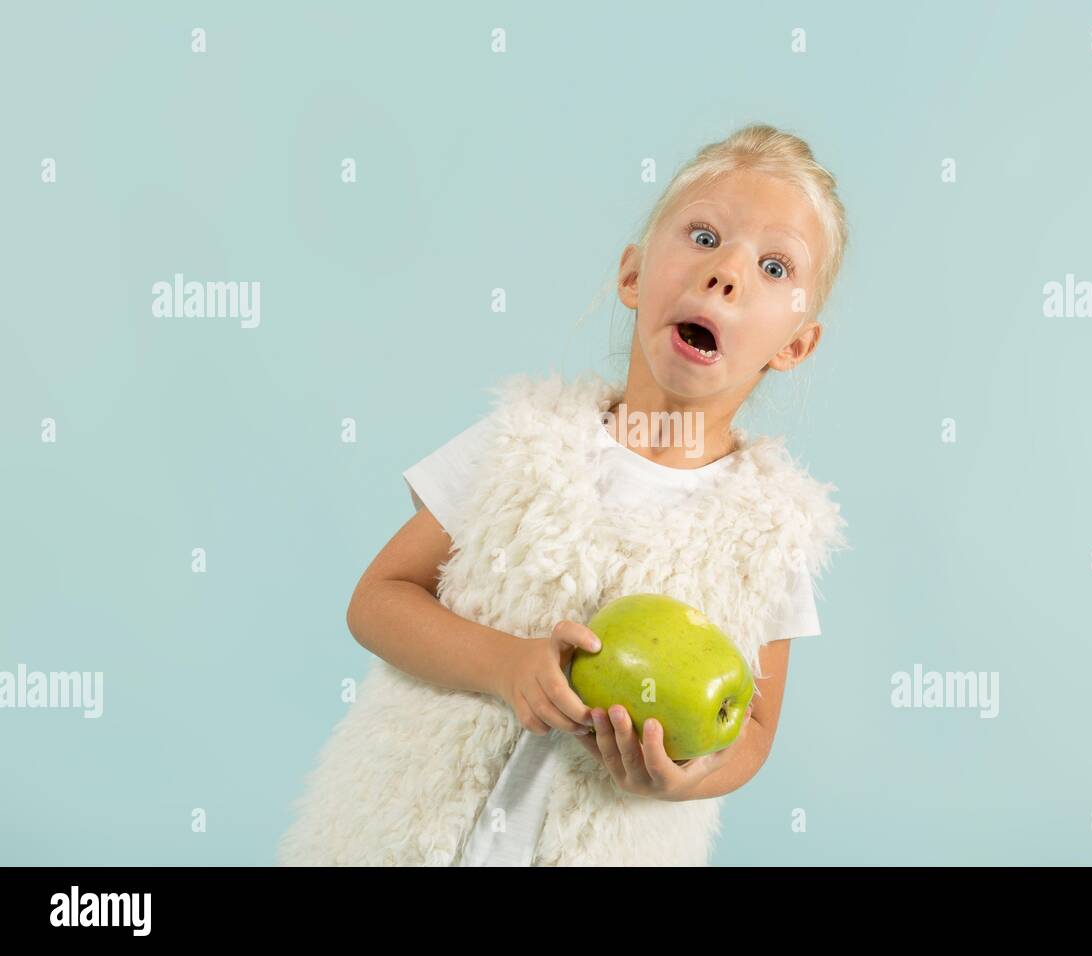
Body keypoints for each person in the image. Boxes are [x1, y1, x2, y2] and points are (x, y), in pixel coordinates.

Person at [278, 122, 851, 866]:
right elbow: (377, 599)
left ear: (794, 346)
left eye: (775, 267)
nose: (728, 274)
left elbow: (754, 725)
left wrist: (679, 781)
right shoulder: (523, 442)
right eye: (705, 237)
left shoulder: (770, 531)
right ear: (634, 275)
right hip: (397, 840)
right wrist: (504, 664)